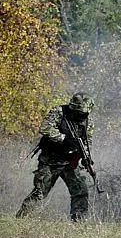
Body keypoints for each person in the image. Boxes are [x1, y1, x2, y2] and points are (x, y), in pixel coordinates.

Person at [17, 93, 96, 221]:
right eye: (78, 113)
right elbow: (45, 128)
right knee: (40, 192)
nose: (80, 116)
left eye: (83, 114)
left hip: (70, 163)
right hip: (50, 161)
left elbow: (87, 142)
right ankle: (22, 219)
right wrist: (64, 139)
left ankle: (79, 221)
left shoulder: (88, 122)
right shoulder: (59, 112)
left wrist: (86, 159)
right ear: (72, 108)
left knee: (81, 191)